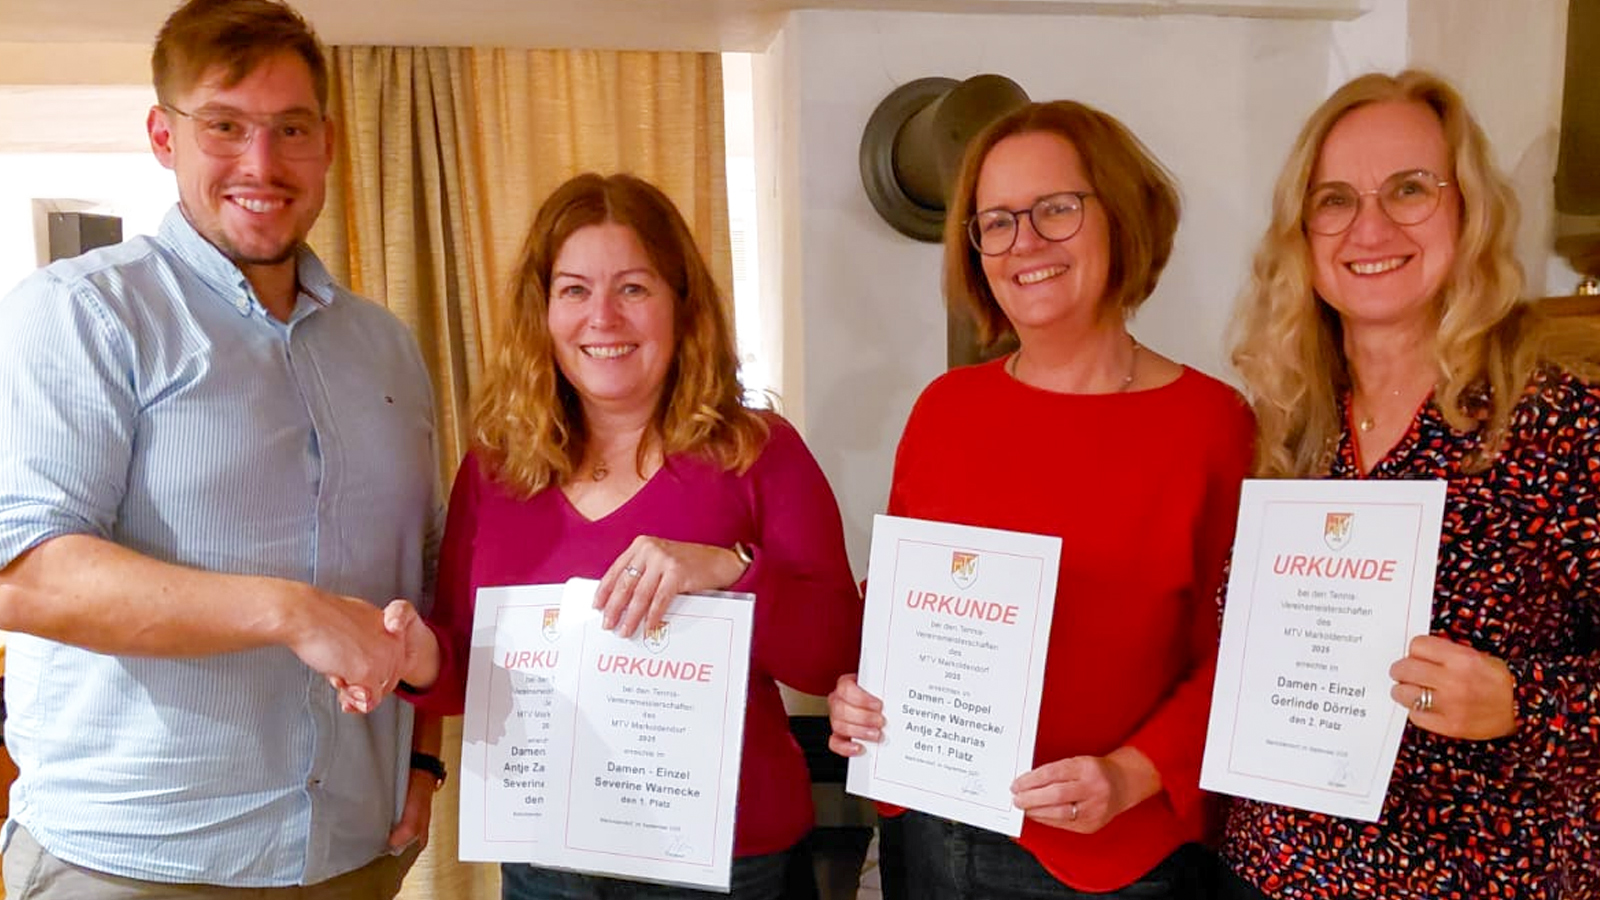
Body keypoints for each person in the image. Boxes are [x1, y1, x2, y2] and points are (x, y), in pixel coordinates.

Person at [0, 0, 443, 895]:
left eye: (290, 129)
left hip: (353, 856)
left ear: (327, 139)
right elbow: (25, 572)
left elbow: (420, 573)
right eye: (226, 127)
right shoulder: (83, 313)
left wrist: (425, 764)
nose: (262, 163)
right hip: (135, 862)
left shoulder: (387, 345)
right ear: (165, 136)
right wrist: (288, 610)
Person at [387, 172, 864, 899]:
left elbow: (835, 653)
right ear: (543, 312)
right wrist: (418, 657)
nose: (602, 317)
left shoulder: (760, 451)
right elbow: (464, 671)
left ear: (680, 302)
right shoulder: (496, 470)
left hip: (731, 865)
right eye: (574, 290)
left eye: (633, 288)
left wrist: (731, 571)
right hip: (549, 863)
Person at [825, 100, 1256, 898]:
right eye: (995, 222)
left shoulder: (1213, 425)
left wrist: (1132, 774)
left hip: (1108, 858)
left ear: (1121, 218)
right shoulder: (944, 412)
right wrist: (859, 690)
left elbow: (1241, 654)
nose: (1024, 242)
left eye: (1056, 210)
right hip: (929, 830)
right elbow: (898, 609)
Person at [1217, 69, 1600, 900]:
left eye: (1411, 189)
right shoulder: (1283, 428)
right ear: (1302, 233)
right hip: (1270, 875)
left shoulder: (1562, 427)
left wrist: (1525, 703)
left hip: (1477, 882)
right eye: (1335, 199)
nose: (1371, 225)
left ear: (1468, 212)